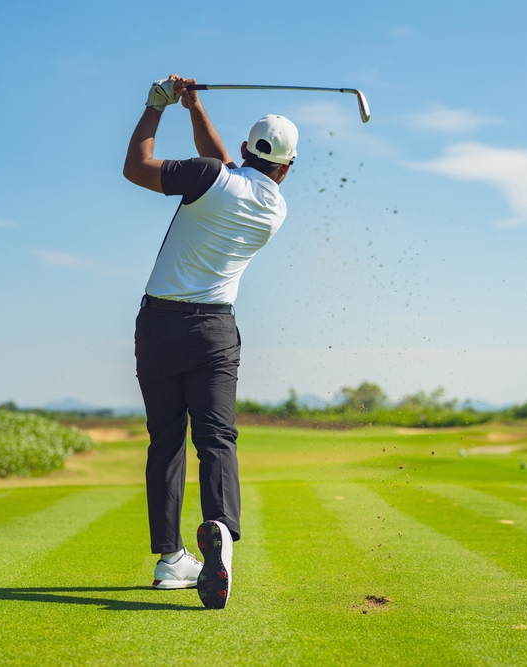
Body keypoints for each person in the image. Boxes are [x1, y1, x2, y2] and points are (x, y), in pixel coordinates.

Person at [122, 75, 297, 609]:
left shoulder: (209, 177)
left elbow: (137, 167)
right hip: (214, 333)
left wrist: (157, 106)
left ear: (248, 150)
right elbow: (225, 168)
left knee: (166, 441)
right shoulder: (273, 209)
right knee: (217, 438)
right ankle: (219, 527)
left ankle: (171, 557)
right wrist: (195, 107)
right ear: (286, 169)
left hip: (158, 326)